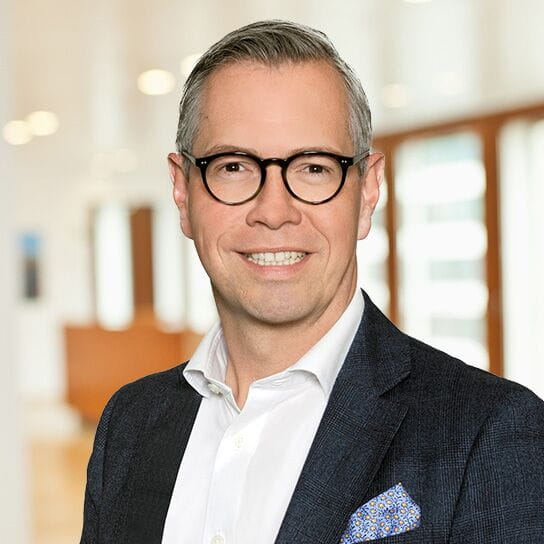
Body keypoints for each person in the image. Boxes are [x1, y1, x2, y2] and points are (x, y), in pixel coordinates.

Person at [80, 20, 544, 544]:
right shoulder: (130, 423)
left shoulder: (490, 434)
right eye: (233, 167)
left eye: (314, 168)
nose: (274, 211)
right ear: (183, 193)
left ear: (367, 192)